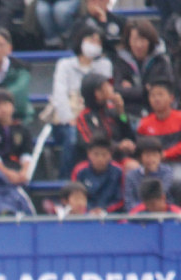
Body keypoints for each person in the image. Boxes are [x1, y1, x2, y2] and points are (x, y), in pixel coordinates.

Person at [52, 25, 114, 178]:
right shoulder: (64, 65)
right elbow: (59, 95)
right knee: (73, 137)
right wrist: (70, 118)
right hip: (68, 120)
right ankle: (66, 181)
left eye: (98, 41)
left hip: (96, 118)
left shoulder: (104, 65)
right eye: (91, 40)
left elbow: (106, 94)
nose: (95, 44)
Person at [113, 20, 174, 120]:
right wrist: (144, 90)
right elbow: (117, 90)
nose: (139, 45)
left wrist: (131, 90)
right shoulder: (121, 62)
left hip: (156, 115)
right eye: (134, 40)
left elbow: (162, 89)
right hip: (127, 114)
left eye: (142, 40)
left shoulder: (161, 62)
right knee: (120, 118)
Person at [136, 80, 181, 169]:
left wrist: (168, 154)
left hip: (176, 161)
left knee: (178, 177)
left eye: (160, 94)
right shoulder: (144, 123)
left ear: (171, 98)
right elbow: (139, 145)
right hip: (151, 163)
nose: (156, 99)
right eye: (152, 95)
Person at [76, 73, 138, 161]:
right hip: (96, 162)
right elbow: (91, 143)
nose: (111, 88)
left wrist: (122, 114)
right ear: (97, 93)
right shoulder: (84, 116)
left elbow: (129, 135)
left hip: (118, 159)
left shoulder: (112, 110)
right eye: (107, 86)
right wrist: (118, 146)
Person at [74, 136, 126, 213]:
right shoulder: (79, 170)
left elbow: (121, 200)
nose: (100, 159)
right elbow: (75, 196)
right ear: (89, 154)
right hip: (85, 214)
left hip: (112, 214)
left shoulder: (118, 171)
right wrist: (88, 210)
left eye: (104, 155)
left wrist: (105, 210)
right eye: (96, 154)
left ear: (110, 155)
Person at [123, 138, 178, 212]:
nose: (152, 159)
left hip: (162, 211)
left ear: (160, 156)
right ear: (140, 158)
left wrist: (153, 172)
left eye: (155, 155)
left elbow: (159, 193)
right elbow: (129, 201)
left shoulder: (166, 171)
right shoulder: (131, 176)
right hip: (139, 213)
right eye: (147, 155)